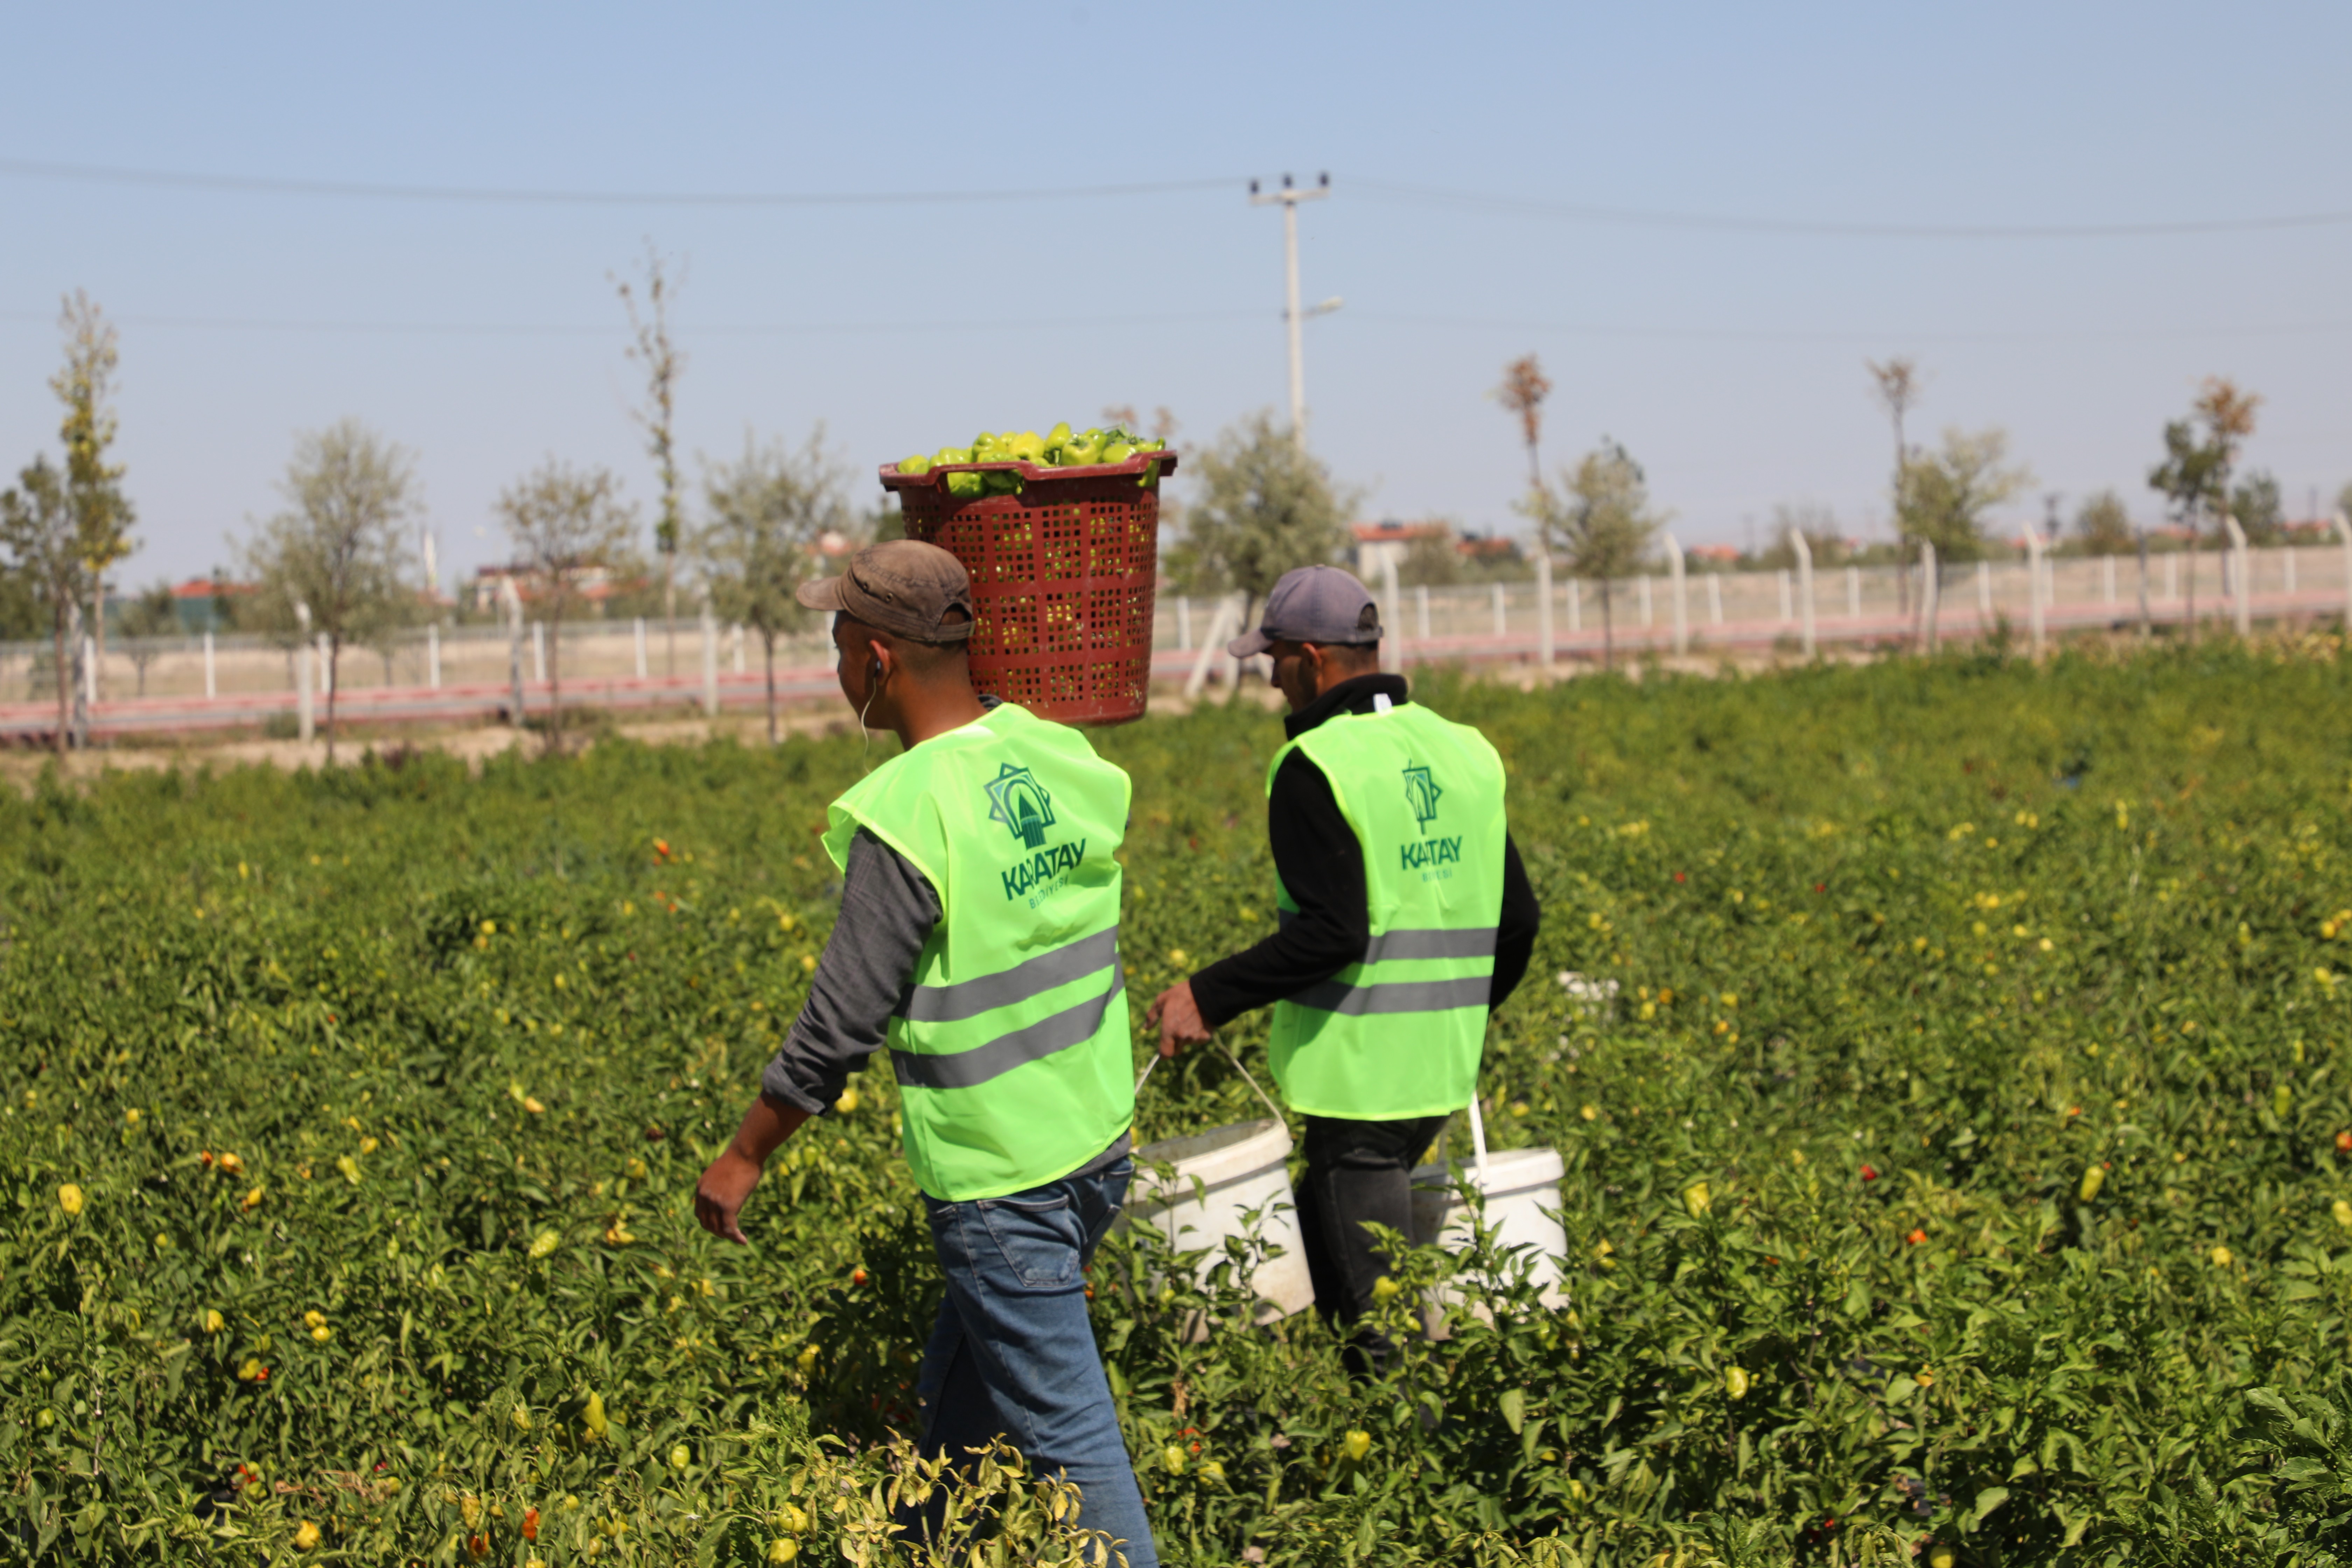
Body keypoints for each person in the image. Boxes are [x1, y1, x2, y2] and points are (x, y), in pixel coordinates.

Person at [693, 540, 1156, 1567]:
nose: (837, 668)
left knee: (1073, 1444)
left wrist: (745, 1155)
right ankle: (922, 1548)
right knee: (962, 1400)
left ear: (874, 658)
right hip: (1096, 1144)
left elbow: (838, 1025)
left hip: (1004, 1181)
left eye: (837, 645)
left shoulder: (908, 812)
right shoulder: (1053, 752)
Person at [1144, 565, 1541, 1371]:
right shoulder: (1464, 749)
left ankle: (1410, 1472)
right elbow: (1520, 921)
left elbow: (1333, 933)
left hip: (1359, 1083)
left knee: (1381, 1329)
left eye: (1274, 659)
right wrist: (1454, 1008)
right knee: (1338, 1268)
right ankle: (1307, 1433)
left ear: (1315, 660)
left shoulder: (1316, 765)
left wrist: (1206, 995)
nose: (1270, 677)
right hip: (1438, 1072)